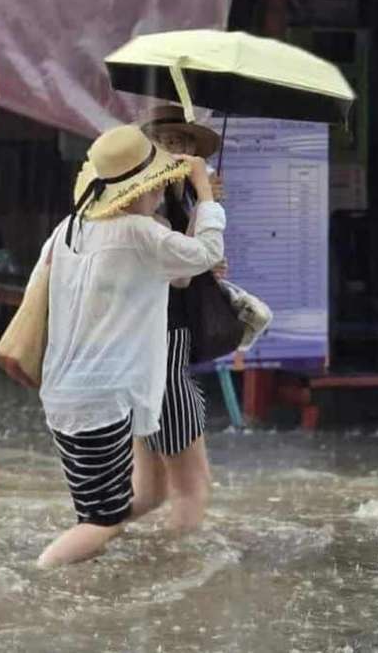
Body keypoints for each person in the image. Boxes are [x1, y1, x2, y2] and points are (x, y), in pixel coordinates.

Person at [36, 125, 226, 568]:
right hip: (103, 397)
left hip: (64, 392)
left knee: (118, 505)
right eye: (156, 183)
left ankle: (108, 572)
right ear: (139, 189)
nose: (161, 191)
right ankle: (37, 579)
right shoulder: (141, 233)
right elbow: (206, 254)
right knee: (103, 521)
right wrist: (206, 193)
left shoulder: (69, 229)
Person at [116, 105, 227, 534]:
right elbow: (180, 276)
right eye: (167, 143)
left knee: (150, 493)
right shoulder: (146, 213)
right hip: (160, 360)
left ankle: (91, 539)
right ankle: (172, 569)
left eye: (185, 145)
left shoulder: (165, 208)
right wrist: (207, 198)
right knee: (193, 487)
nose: (178, 153)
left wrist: (201, 211)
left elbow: (189, 267)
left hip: (149, 357)